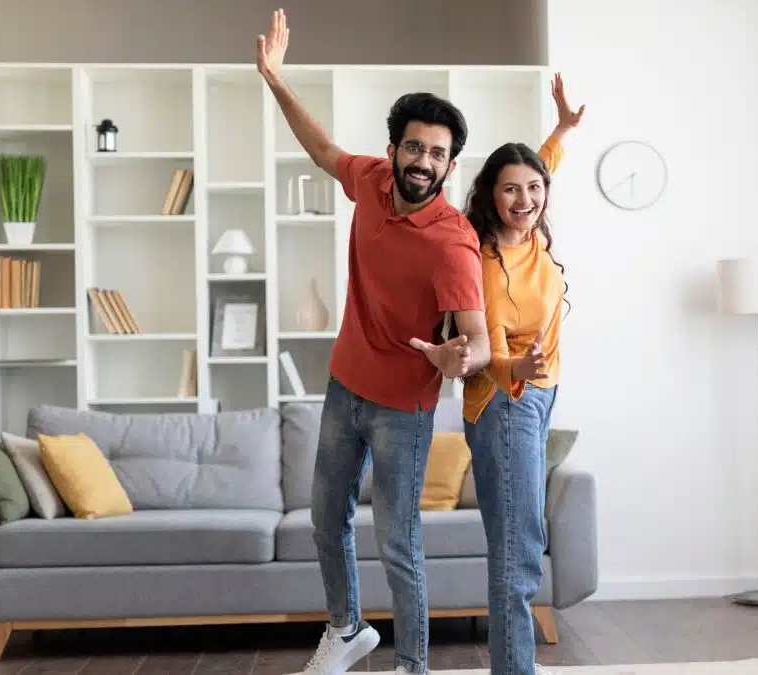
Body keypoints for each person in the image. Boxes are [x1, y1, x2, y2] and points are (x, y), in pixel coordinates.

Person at [257, 9, 492, 675]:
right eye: (414, 147)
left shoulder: (452, 241)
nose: (424, 162)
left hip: (403, 408)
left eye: (438, 153)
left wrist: (458, 358)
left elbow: (476, 342)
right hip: (344, 385)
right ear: (394, 149)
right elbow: (322, 148)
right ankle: (348, 626)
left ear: (451, 163)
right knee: (323, 520)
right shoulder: (371, 182)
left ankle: (413, 664)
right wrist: (274, 79)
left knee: (398, 542)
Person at [459, 73, 583, 675]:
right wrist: (519, 366)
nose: (525, 199)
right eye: (511, 190)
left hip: (539, 392)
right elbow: (486, 349)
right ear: (491, 195)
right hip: (505, 399)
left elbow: (541, 163)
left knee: (519, 542)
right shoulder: (485, 260)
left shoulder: (531, 225)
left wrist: (561, 125)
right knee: (518, 549)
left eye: (534, 188)